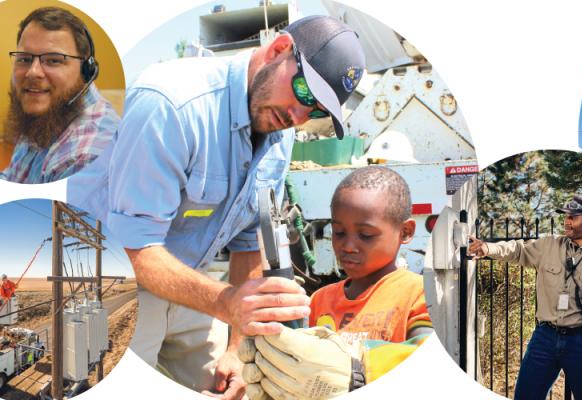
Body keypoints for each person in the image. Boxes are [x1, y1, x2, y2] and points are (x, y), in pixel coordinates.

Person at [66, 15, 366, 398]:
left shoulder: (279, 130)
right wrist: (227, 305)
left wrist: (237, 348)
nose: (299, 116)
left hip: (187, 281)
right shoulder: (172, 105)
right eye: (306, 94)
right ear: (279, 50)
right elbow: (133, 247)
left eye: (317, 111)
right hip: (113, 283)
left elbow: (247, 242)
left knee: (236, 388)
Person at [240, 166, 433, 399]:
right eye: (339, 232)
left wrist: (359, 369)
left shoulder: (419, 294)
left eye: (366, 235)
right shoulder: (321, 299)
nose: (348, 245)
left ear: (405, 232)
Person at [469, 195, 582, 400]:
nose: (567, 221)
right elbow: (518, 250)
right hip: (545, 338)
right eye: (565, 216)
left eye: (573, 217)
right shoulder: (548, 245)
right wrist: (488, 248)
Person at [1, 6, 120, 183]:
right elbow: (12, 177)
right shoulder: (43, 115)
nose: (33, 72)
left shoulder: (84, 157)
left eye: (54, 60)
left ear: (86, 71)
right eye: (24, 59)